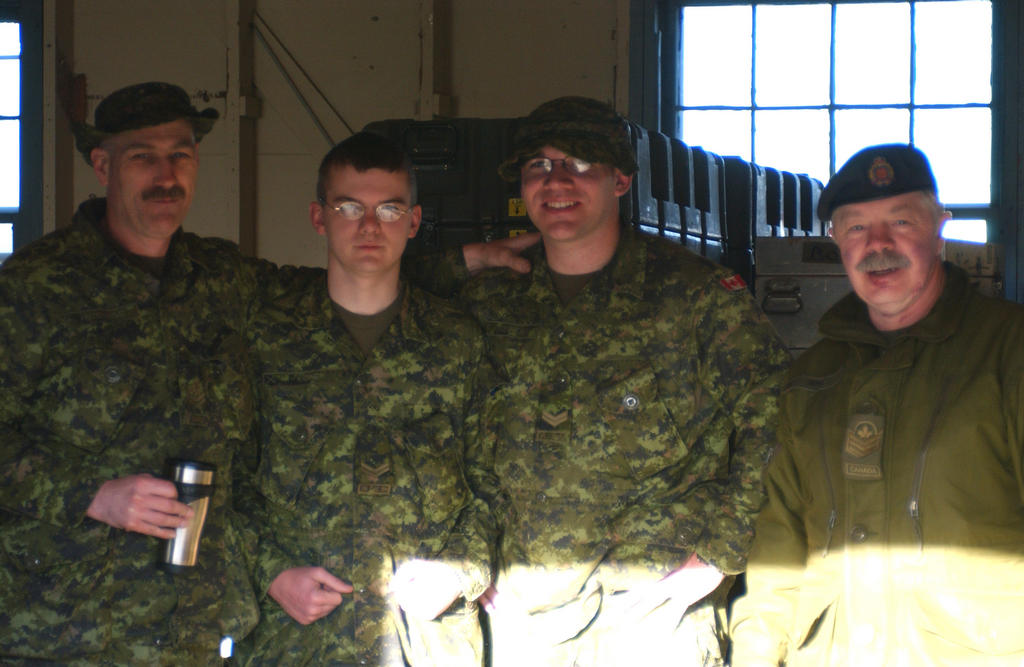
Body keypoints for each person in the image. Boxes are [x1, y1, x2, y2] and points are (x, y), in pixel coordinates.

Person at [409, 96, 789, 666]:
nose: (557, 180)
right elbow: (365, 288)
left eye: (581, 163)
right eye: (539, 165)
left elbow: (778, 419)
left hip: (652, 618)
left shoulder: (695, 298)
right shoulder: (492, 299)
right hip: (519, 617)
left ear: (621, 180)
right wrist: (466, 259)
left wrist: (720, 554)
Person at [730, 144, 1024, 665]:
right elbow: (779, 549)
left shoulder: (1008, 353)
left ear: (941, 229)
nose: (878, 244)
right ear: (836, 242)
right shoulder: (811, 378)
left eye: (901, 221)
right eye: (857, 227)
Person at [0, 82, 259, 663]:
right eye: (144, 156)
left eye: (181, 155)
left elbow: (336, 292)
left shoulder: (220, 278)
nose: (167, 176)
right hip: (62, 635)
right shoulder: (36, 286)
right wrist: (91, 495)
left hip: (189, 631)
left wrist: (456, 262)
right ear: (103, 166)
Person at [236, 132, 494, 666]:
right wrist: (272, 574)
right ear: (319, 217)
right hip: (295, 642)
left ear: (414, 222)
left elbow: (493, 480)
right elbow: (228, 476)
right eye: (349, 207)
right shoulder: (268, 339)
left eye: (389, 209)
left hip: (424, 641)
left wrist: (458, 572)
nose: (370, 226)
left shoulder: (457, 341)